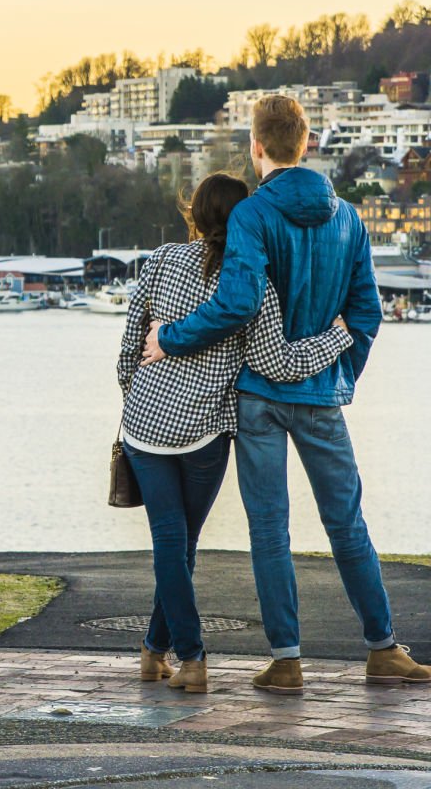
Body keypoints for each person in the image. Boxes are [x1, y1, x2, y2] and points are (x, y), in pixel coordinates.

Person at [141, 94, 429, 693]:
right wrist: (337, 373)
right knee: (347, 523)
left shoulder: (250, 216)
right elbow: (366, 313)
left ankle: (288, 660)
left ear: (255, 146)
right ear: (309, 144)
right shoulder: (348, 218)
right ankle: (383, 648)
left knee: (269, 529)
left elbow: (238, 303)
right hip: (323, 395)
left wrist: (170, 338)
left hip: (258, 397)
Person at [118, 172, 352, 694]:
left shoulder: (158, 262)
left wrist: (138, 394)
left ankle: (159, 651)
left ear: (193, 214)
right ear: (248, 219)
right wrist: (336, 339)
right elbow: (280, 362)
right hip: (203, 430)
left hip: (144, 427)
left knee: (170, 543)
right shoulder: (252, 281)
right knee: (181, 543)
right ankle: (189, 656)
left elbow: (128, 349)